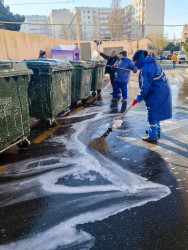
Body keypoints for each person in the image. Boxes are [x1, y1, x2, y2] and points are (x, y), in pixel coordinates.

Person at [132, 50, 172, 143]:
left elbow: (145, 87)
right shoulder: (152, 62)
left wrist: (137, 98)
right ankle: (156, 130)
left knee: (152, 113)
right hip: (162, 89)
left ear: (139, 59)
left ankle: (153, 136)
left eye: (135, 62)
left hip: (157, 92)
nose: (135, 64)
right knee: (156, 111)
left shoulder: (146, 68)